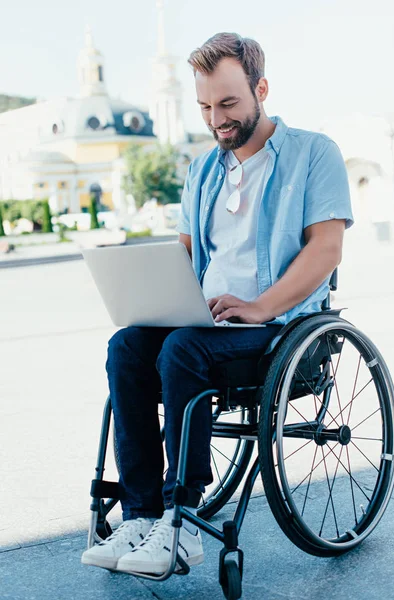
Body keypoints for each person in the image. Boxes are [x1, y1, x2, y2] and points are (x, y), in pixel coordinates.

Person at [81, 31, 354, 575]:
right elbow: (183, 255)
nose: (216, 120)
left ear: (262, 89)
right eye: (206, 107)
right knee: (128, 346)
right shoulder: (203, 170)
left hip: (281, 325)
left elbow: (326, 248)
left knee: (183, 349)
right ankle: (140, 514)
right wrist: (152, 295)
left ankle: (182, 521)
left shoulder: (312, 152)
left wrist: (258, 306)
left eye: (228, 104)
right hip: (208, 323)